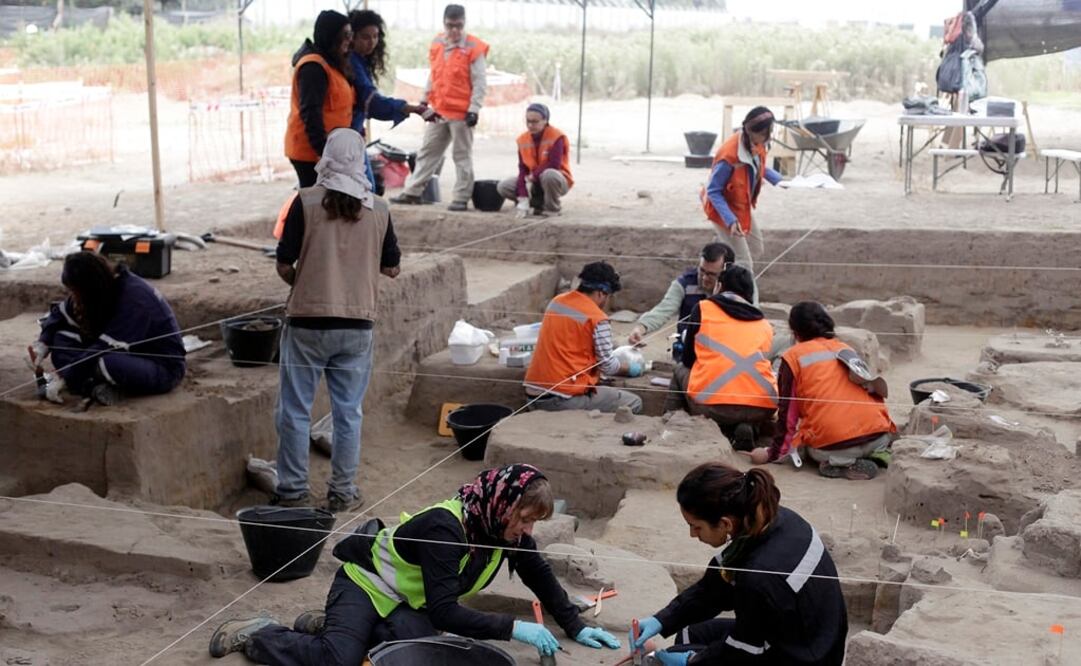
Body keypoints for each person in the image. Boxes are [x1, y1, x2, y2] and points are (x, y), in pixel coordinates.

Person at [208, 464, 621, 663]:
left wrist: (577, 625)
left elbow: (540, 575)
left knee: (412, 654)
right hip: (366, 584)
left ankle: (328, 625)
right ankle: (261, 634)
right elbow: (446, 611)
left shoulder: (499, 530)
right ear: (502, 504)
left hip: (408, 603)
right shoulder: (447, 528)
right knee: (339, 660)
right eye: (526, 519)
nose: (528, 530)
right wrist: (514, 627)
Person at [272, 128, 401, 513]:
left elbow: (283, 263)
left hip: (307, 322)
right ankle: (343, 491)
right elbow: (392, 268)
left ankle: (293, 490)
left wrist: (303, 279)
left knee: (294, 409)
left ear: (326, 156)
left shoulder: (305, 201)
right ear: (360, 160)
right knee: (348, 412)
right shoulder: (379, 209)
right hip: (357, 324)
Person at [628, 463, 847, 665]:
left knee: (687, 652)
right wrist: (661, 620)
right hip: (808, 634)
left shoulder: (760, 576)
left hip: (807, 656)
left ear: (725, 524)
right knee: (690, 635)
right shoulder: (770, 521)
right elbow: (713, 589)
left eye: (696, 527)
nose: (692, 534)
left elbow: (740, 653)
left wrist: (692, 661)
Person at [744, 302, 896, 480]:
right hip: (879, 436)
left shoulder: (793, 358)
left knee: (808, 447)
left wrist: (773, 453)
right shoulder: (846, 349)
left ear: (795, 331)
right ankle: (874, 453)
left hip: (835, 445)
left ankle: (841, 464)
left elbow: (788, 415)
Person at [29, 251, 186, 406]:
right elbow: (60, 313)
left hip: (162, 369)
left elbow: (102, 349)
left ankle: (91, 386)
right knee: (61, 339)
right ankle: (95, 385)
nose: (73, 297)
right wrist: (42, 345)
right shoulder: (104, 286)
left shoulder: (135, 300)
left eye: (75, 292)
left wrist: (65, 377)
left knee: (106, 361)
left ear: (88, 287)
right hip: (120, 353)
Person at [665, 265, 776, 451]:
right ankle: (750, 429)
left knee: (679, 370)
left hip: (712, 406)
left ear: (720, 286)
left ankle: (673, 421)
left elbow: (688, 359)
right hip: (761, 408)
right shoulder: (764, 323)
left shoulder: (703, 309)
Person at [390, 4, 488, 212]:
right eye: (450, 25)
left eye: (459, 26)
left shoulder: (474, 47)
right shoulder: (437, 43)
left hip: (462, 114)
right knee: (427, 152)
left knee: (461, 156)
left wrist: (474, 109)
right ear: (444, 23)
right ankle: (412, 192)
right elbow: (433, 74)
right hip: (439, 111)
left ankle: (461, 198)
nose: (454, 30)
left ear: (464, 23)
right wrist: (424, 100)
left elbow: (480, 82)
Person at [524, 262, 644, 414]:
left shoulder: (557, 301)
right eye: (608, 296)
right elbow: (608, 366)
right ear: (601, 293)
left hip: (533, 394)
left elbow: (572, 338)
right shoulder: (598, 318)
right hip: (561, 399)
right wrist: (632, 369)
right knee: (633, 402)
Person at [701, 106, 783, 303]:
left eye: (768, 133)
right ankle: (749, 306)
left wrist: (780, 180)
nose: (766, 138)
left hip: (741, 207)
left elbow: (758, 166)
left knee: (755, 248)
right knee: (744, 261)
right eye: (763, 134)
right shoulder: (729, 155)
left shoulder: (756, 143)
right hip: (723, 211)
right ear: (750, 130)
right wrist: (729, 220)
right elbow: (713, 191)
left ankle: (720, 271)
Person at [346, 9, 433, 187]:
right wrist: (412, 108)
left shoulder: (360, 61)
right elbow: (373, 103)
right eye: (365, 37)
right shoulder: (351, 62)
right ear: (351, 37)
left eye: (376, 36)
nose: (372, 42)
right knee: (364, 192)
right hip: (344, 141)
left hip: (351, 137)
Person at [285, 10, 357, 187]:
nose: (350, 40)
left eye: (351, 34)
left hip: (328, 151)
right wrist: (324, 153)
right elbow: (310, 113)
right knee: (318, 205)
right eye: (346, 35)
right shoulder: (313, 67)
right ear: (332, 36)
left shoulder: (333, 64)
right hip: (312, 152)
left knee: (326, 205)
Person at [627, 242, 735, 361]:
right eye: (702, 271)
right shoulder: (684, 283)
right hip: (688, 351)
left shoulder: (738, 287)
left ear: (727, 272)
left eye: (711, 274)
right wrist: (641, 328)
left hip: (725, 352)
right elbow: (663, 310)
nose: (704, 278)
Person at [496, 103, 573, 217]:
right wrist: (522, 196)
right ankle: (535, 204)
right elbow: (522, 169)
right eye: (528, 121)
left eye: (535, 121)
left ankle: (552, 209)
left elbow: (554, 164)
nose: (530, 125)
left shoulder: (557, 136)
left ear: (545, 120)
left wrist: (533, 176)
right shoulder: (523, 139)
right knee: (503, 186)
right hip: (533, 182)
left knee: (549, 174)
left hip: (556, 180)